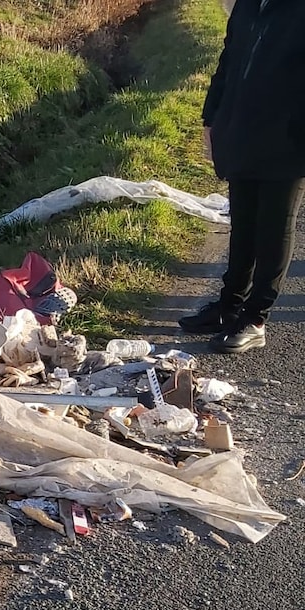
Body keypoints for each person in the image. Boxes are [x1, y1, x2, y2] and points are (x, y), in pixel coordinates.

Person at [178, 0, 305, 353]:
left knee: (274, 225)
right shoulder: (249, 5)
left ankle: (255, 318)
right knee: (244, 220)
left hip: (289, 138)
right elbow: (229, 59)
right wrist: (211, 116)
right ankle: (229, 306)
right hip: (242, 127)